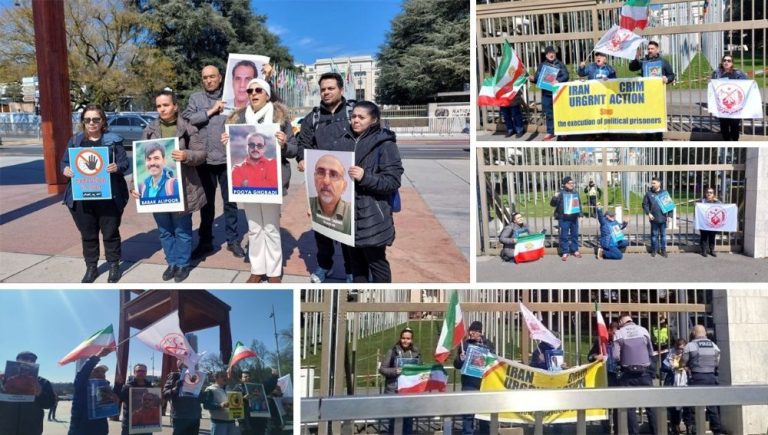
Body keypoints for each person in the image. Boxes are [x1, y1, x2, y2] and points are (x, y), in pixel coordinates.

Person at [315, 100, 404, 283]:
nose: (355, 120)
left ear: (373, 120)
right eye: (353, 116)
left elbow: (393, 181)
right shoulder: (343, 140)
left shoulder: (385, 144)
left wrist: (365, 177)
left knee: (377, 263)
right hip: (346, 214)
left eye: (361, 117)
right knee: (356, 265)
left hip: (372, 216)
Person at [222, 77, 297, 283]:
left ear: (266, 94)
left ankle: (273, 272)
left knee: (271, 228)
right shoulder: (237, 120)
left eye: (258, 90)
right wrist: (227, 143)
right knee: (254, 228)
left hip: (271, 182)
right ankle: (257, 268)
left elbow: (294, 148)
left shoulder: (280, 118)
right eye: (250, 91)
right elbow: (235, 153)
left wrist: (283, 145)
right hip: (247, 184)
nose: (253, 94)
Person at [132, 89, 207, 283]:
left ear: (175, 106)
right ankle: (172, 262)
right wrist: (136, 185)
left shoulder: (188, 128)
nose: (162, 109)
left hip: (182, 188)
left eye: (166, 105)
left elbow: (201, 154)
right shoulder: (149, 130)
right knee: (165, 230)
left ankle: (183, 264)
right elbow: (140, 159)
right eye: (159, 106)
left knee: (182, 229)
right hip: (155, 191)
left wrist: (186, 155)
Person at [297, 72, 356, 283]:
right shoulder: (312, 118)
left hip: (348, 183)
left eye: (331, 88)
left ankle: (352, 271)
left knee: (349, 231)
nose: (326, 92)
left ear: (341, 90)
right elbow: (302, 144)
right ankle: (324, 266)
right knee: (322, 230)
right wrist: (301, 159)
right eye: (323, 89)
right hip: (321, 184)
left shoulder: (353, 113)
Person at [60, 104, 130, 283]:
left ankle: (114, 265)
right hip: (82, 198)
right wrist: (65, 170)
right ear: (83, 122)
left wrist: (117, 167)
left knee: (110, 233)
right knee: (88, 235)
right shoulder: (75, 141)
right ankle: (91, 267)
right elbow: (64, 162)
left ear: (102, 121)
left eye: (96, 119)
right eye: (87, 119)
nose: (92, 123)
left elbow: (124, 164)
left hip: (108, 196)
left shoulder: (113, 141)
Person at [183, 65, 245, 260]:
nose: (209, 80)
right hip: (204, 160)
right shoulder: (196, 98)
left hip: (228, 159)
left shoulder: (233, 97)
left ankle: (233, 240)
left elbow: (245, 121)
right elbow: (188, 119)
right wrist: (211, 111)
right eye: (205, 77)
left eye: (212, 77)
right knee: (206, 204)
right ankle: (205, 241)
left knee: (230, 203)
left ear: (220, 78)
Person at [612, 314, 656, 435]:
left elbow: (615, 356)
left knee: (630, 407)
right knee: (651, 406)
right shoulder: (643, 330)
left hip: (628, 374)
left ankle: (634, 433)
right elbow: (651, 351)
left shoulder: (619, 333)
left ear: (621, 321)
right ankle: (656, 432)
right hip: (645, 372)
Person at [453, 321, 495, 435]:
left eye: (475, 331)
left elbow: (494, 360)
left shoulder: (488, 344)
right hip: (469, 384)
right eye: (471, 330)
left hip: (484, 383)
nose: (472, 333)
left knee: (484, 415)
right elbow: (456, 365)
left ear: (480, 332)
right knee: (468, 414)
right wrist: (461, 359)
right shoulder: (464, 344)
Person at [0, 351, 56, 435]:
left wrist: (40, 393)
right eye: (25, 358)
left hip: (31, 430)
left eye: (32, 360)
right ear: (17, 361)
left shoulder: (43, 382)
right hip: (5, 430)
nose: (29, 361)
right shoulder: (5, 380)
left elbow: (50, 404)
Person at [682, 325, 723, 435]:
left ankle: (695, 429)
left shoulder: (690, 346)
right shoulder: (714, 346)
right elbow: (717, 362)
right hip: (711, 376)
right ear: (705, 333)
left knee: (694, 404)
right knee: (712, 405)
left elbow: (683, 361)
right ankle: (717, 430)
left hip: (696, 377)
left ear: (694, 333)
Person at [629, 41, 675, 140]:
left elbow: (671, 75)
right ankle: (648, 137)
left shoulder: (663, 62)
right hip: (646, 94)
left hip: (658, 95)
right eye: (648, 49)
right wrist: (636, 57)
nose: (650, 51)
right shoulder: (643, 61)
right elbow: (631, 68)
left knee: (658, 116)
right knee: (647, 116)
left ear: (657, 49)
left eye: (652, 49)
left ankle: (659, 137)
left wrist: (667, 79)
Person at [379, 327, 421, 435]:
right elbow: (382, 369)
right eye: (403, 338)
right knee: (394, 420)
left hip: (409, 392)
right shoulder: (392, 351)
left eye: (408, 338)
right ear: (400, 338)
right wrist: (395, 371)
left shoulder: (416, 353)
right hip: (394, 391)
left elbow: (420, 369)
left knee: (408, 420)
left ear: (411, 340)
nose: (405, 341)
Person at [68, 348, 114, 435]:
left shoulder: (106, 390)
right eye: (97, 371)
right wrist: (97, 356)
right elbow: (82, 374)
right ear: (89, 373)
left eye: (103, 372)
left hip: (101, 430)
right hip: (81, 430)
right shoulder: (81, 386)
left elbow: (111, 410)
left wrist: (118, 385)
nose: (101, 373)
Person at [529, 45, 569, 141]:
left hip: (558, 93)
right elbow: (537, 79)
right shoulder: (542, 65)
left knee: (560, 113)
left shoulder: (560, 64)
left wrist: (558, 81)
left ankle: (563, 132)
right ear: (546, 56)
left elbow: (566, 75)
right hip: (546, 94)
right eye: (548, 53)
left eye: (552, 53)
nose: (551, 54)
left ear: (555, 54)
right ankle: (551, 132)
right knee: (549, 114)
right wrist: (532, 79)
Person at [588, 319, 620, 434]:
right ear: (609, 330)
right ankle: (606, 430)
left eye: (617, 332)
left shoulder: (621, 341)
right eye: (613, 332)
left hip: (618, 376)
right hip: (605, 376)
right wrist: (597, 356)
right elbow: (590, 357)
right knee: (605, 405)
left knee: (617, 406)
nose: (614, 335)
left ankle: (617, 429)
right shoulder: (600, 342)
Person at [309, 154, 352, 234]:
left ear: (344, 186)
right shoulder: (308, 204)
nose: (326, 181)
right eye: (321, 173)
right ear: (314, 180)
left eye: (334, 175)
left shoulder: (351, 214)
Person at [711, 55, 749, 141]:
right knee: (724, 127)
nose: (726, 62)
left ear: (732, 63)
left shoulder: (738, 73)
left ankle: (734, 142)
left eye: (729, 61)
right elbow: (713, 88)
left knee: (735, 127)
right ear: (722, 62)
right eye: (725, 60)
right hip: (722, 105)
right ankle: (727, 142)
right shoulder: (716, 73)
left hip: (735, 106)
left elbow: (745, 86)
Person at [162, 359, 202, 435]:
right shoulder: (174, 376)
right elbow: (165, 394)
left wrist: (201, 392)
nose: (188, 366)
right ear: (179, 366)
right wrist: (175, 389)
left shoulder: (197, 377)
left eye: (190, 364)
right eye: (185, 364)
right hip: (180, 416)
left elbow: (201, 398)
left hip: (194, 416)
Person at [550, 176, 582, 261]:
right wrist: (555, 197)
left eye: (573, 183)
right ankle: (565, 251)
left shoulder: (575, 193)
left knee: (574, 235)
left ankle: (575, 250)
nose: (572, 185)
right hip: (563, 218)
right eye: (570, 183)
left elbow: (579, 204)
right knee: (564, 235)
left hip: (574, 218)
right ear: (565, 184)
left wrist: (581, 215)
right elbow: (552, 204)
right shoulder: (560, 193)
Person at [661, 338, 687, 435]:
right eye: (679, 349)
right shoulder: (670, 355)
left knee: (683, 406)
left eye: (682, 349)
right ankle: (674, 426)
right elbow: (663, 367)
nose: (680, 351)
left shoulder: (687, 356)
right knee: (673, 407)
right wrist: (672, 367)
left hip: (683, 383)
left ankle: (684, 424)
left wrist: (684, 367)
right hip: (672, 382)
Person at [119, 363, 154, 435]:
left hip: (146, 424)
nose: (141, 373)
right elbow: (118, 399)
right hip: (129, 424)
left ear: (146, 373)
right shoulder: (127, 387)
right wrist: (118, 385)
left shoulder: (151, 387)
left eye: (143, 371)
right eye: (139, 371)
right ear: (134, 372)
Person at [642, 177, 673, 258]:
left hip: (663, 218)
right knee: (654, 235)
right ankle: (654, 250)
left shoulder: (664, 193)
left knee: (663, 236)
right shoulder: (648, 193)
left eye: (654, 183)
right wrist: (648, 213)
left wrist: (670, 216)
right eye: (652, 183)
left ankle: (663, 250)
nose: (652, 184)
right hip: (653, 219)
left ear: (659, 184)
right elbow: (644, 204)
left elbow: (669, 206)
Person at [202, 371, 238, 435]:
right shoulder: (210, 389)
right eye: (222, 376)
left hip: (232, 422)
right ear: (216, 378)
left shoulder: (229, 388)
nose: (225, 378)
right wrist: (220, 406)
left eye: (226, 376)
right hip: (219, 423)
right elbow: (206, 405)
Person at [698, 187, 722, 257]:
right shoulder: (702, 201)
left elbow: (723, 207)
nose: (709, 194)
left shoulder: (716, 202)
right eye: (707, 192)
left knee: (712, 237)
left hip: (713, 223)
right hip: (704, 223)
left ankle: (712, 250)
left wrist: (717, 200)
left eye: (711, 192)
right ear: (705, 193)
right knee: (704, 237)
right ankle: (704, 251)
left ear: (713, 194)